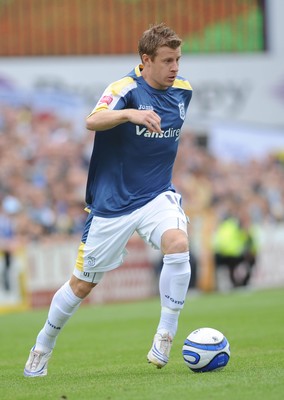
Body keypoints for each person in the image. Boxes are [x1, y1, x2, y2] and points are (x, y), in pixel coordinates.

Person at [24, 23, 193, 377]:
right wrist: (130, 114)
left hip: (156, 194)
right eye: (167, 60)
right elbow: (92, 120)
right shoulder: (125, 89)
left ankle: (166, 332)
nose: (175, 67)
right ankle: (42, 345)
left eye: (177, 59)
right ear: (145, 60)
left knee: (177, 243)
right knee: (81, 285)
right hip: (112, 205)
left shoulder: (183, 91)